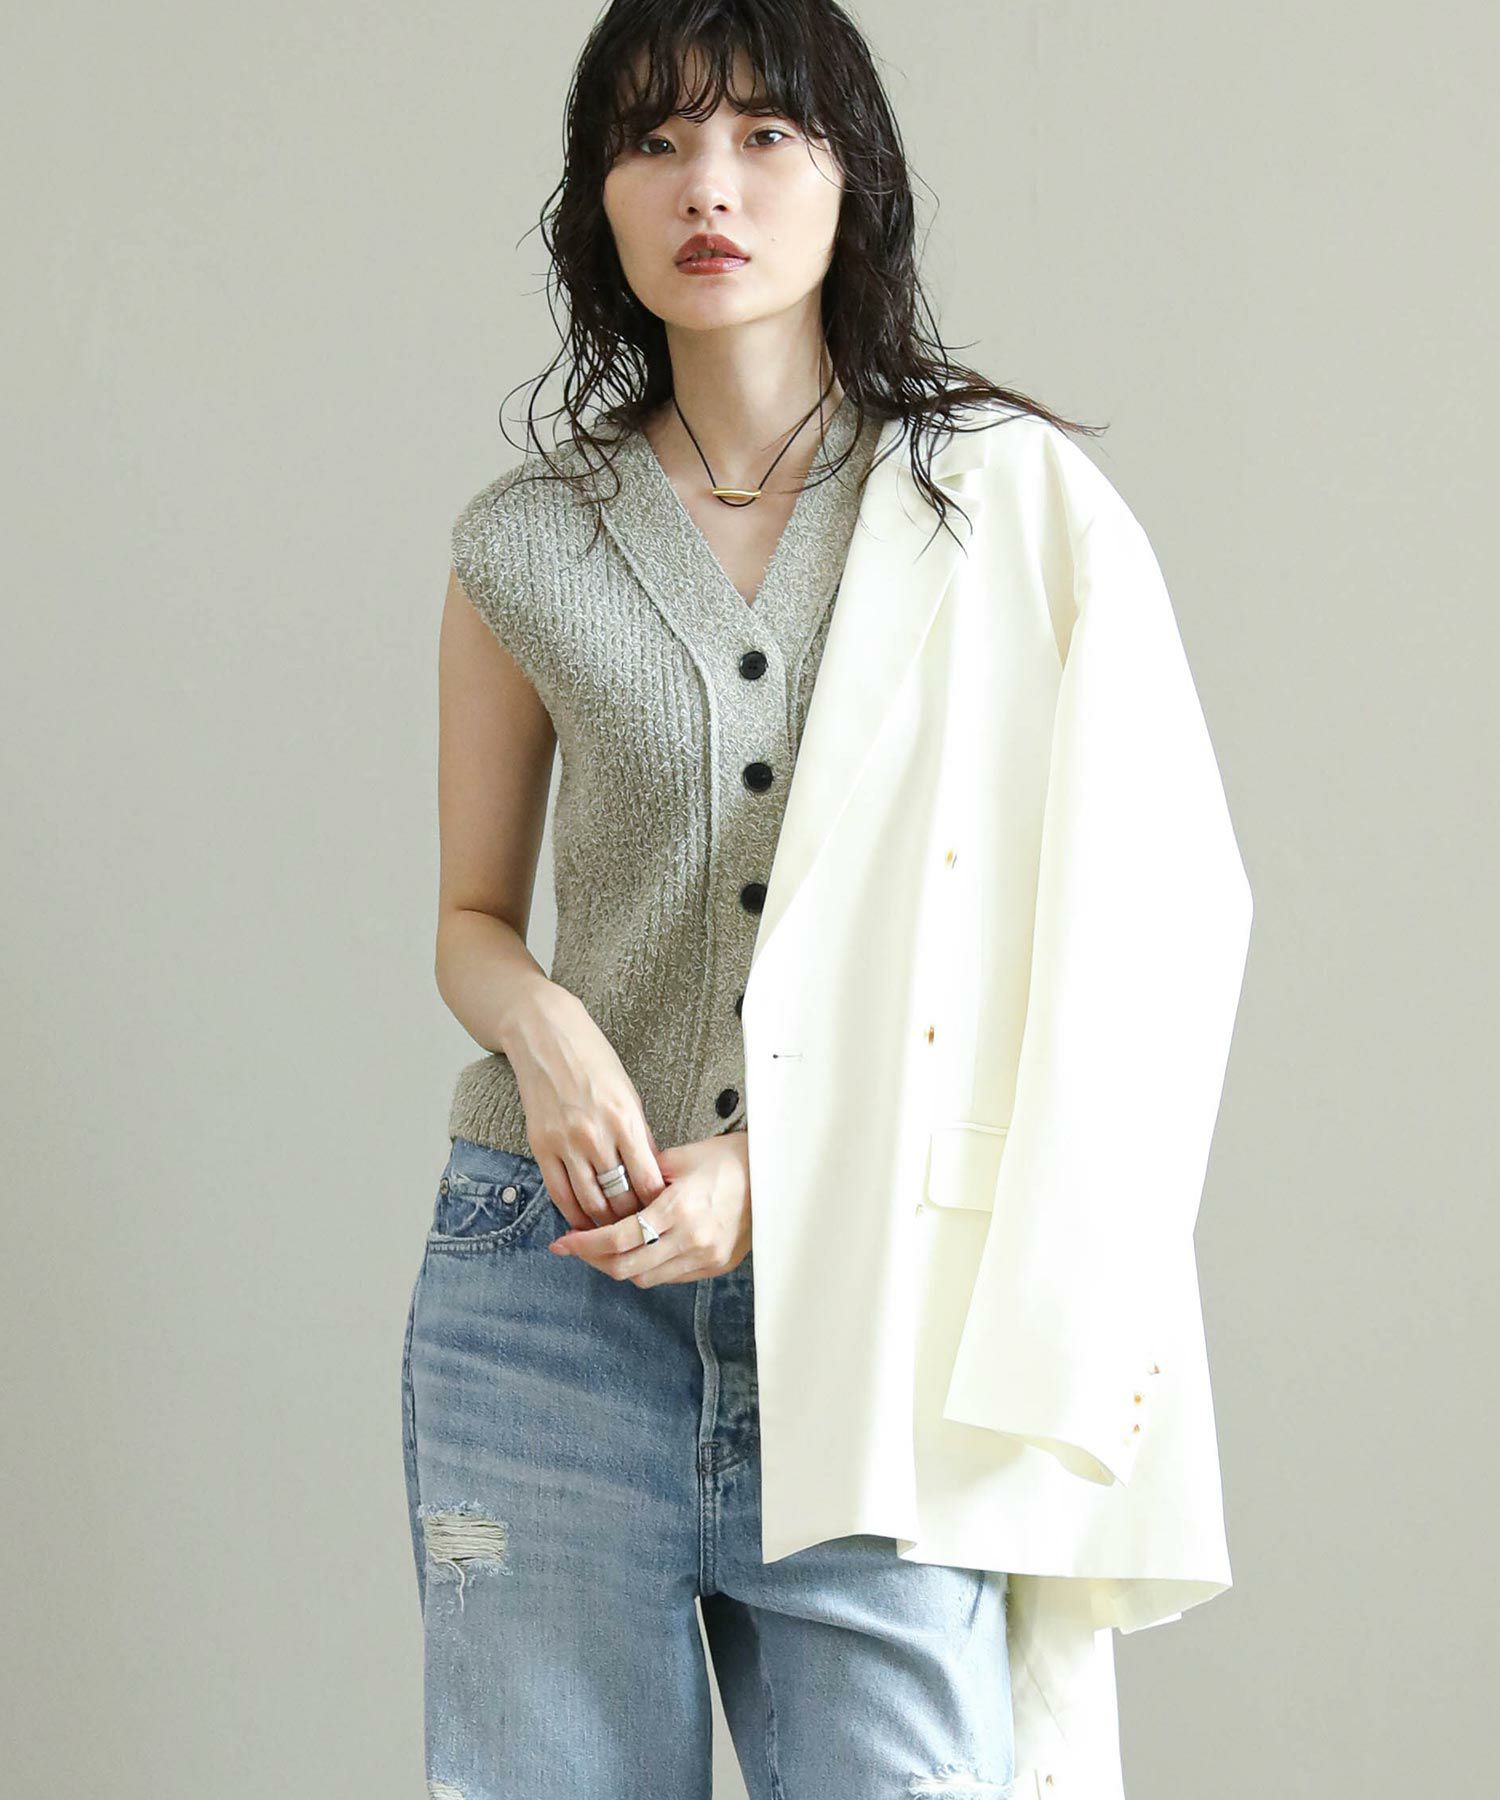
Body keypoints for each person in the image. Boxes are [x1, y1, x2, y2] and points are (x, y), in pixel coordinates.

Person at [401, 4, 1137, 1795]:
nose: (706, 187)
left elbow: (1079, 940)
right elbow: (471, 918)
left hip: (869, 1299)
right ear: (596, 200)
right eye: (652, 143)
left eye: (761, 136)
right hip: (548, 1292)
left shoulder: (980, 511)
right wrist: (544, 1027)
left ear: (849, 176)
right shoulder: (524, 538)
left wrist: (782, 1167)